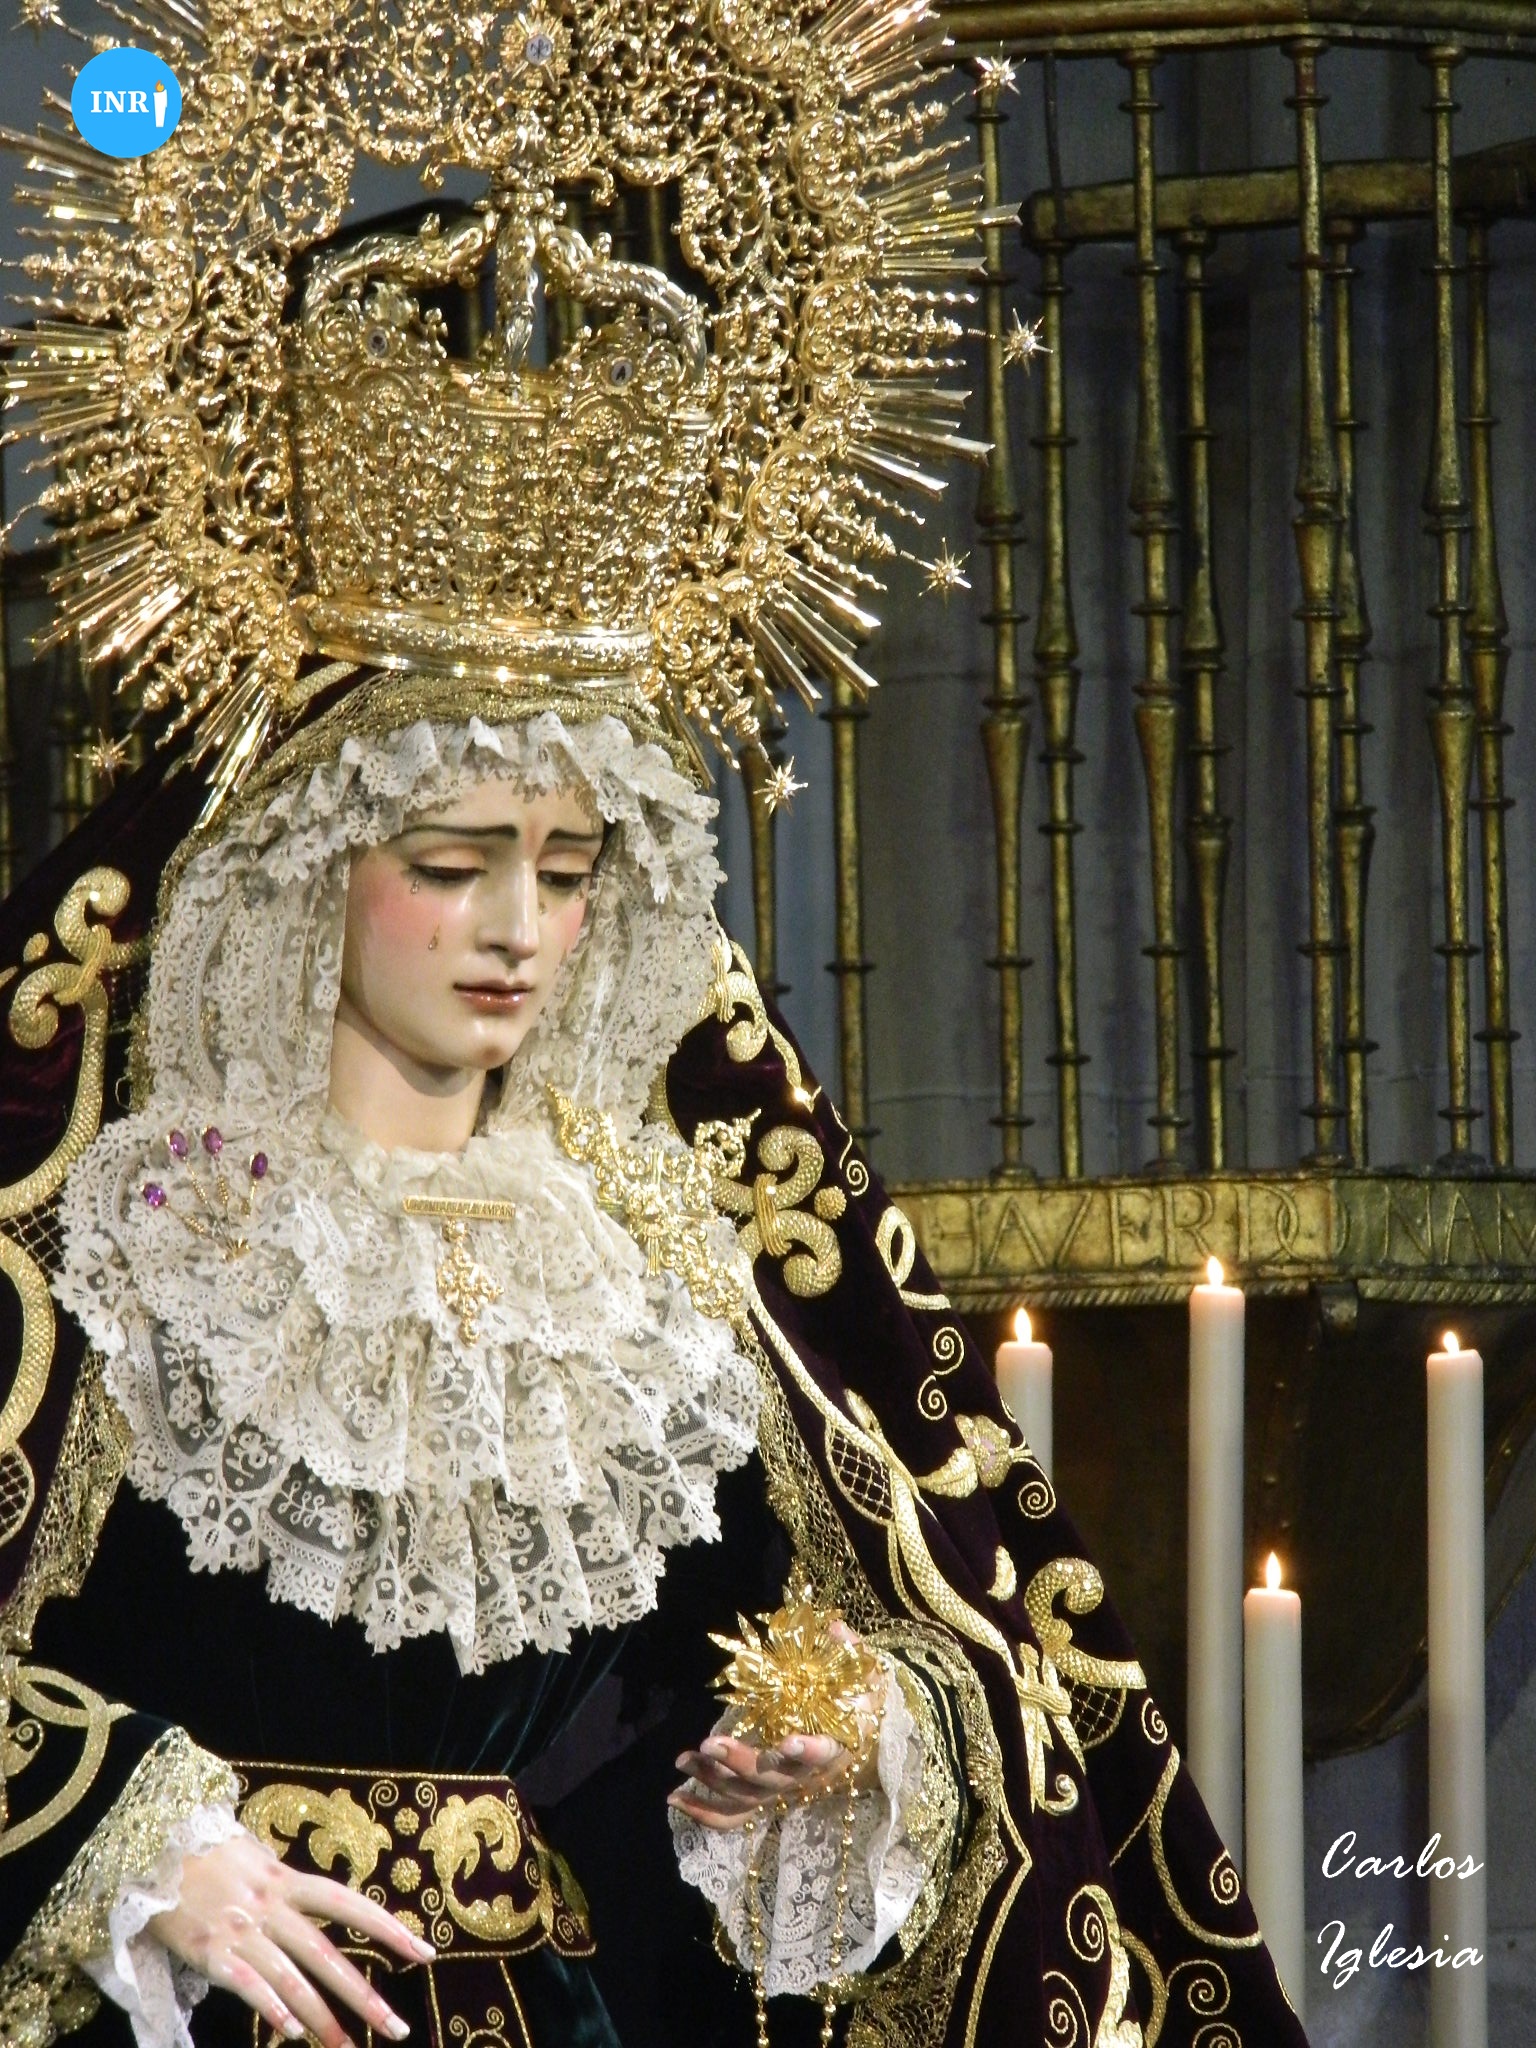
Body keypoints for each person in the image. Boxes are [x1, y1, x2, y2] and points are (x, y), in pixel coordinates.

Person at [0, 5, 1312, 2043]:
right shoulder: (130, 1241)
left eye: (566, 866)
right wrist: (132, 1838)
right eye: (453, 860)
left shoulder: (646, 1264)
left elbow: (883, 1654)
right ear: (309, 866)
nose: (515, 930)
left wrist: (835, 1741)